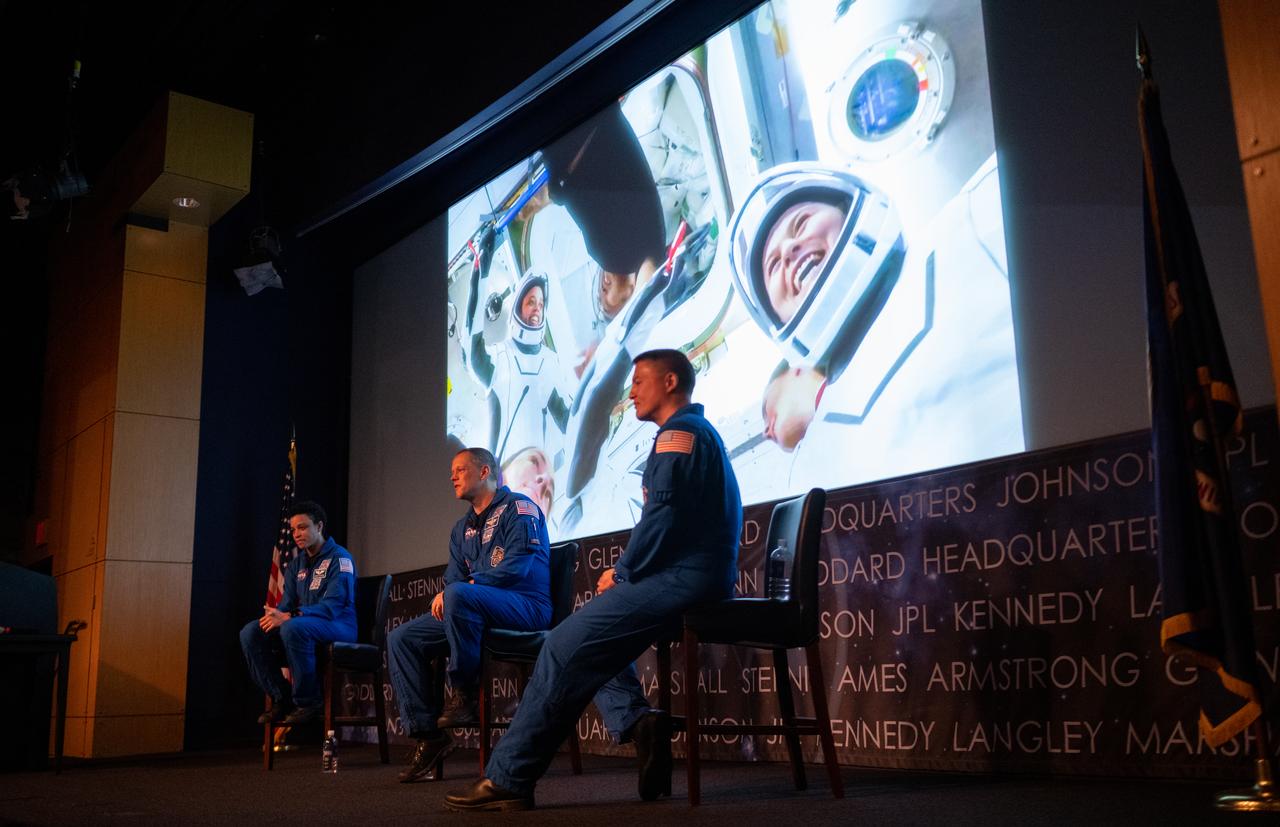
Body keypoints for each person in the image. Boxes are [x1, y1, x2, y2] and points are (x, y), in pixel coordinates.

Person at [444, 349, 742, 812]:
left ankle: (510, 776)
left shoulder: (677, 435)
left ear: (669, 383)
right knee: (593, 640)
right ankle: (640, 722)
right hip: (692, 577)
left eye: (640, 381)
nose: (632, 391)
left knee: (563, 645)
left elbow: (662, 518)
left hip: (686, 580)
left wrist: (624, 572)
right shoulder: (690, 433)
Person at [386, 447, 552, 783]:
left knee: (459, 594)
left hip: (524, 606)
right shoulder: (461, 529)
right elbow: (454, 579)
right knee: (402, 638)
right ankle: (429, 736)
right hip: (474, 608)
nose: (452, 476)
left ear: (485, 471)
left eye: (461, 469)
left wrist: (462, 589)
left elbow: (516, 567)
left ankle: (463, 691)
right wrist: (455, 590)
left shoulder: (519, 508)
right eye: (453, 471)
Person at [239, 500, 356, 726]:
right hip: (305, 627)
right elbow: (287, 604)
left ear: (319, 527)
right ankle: (282, 698)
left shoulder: (340, 558)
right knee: (251, 632)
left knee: (293, 626)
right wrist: (276, 616)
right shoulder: (296, 565)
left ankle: (309, 701)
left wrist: (291, 616)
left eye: (302, 527)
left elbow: (333, 606)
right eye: (293, 529)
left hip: (339, 626)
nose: (296, 534)